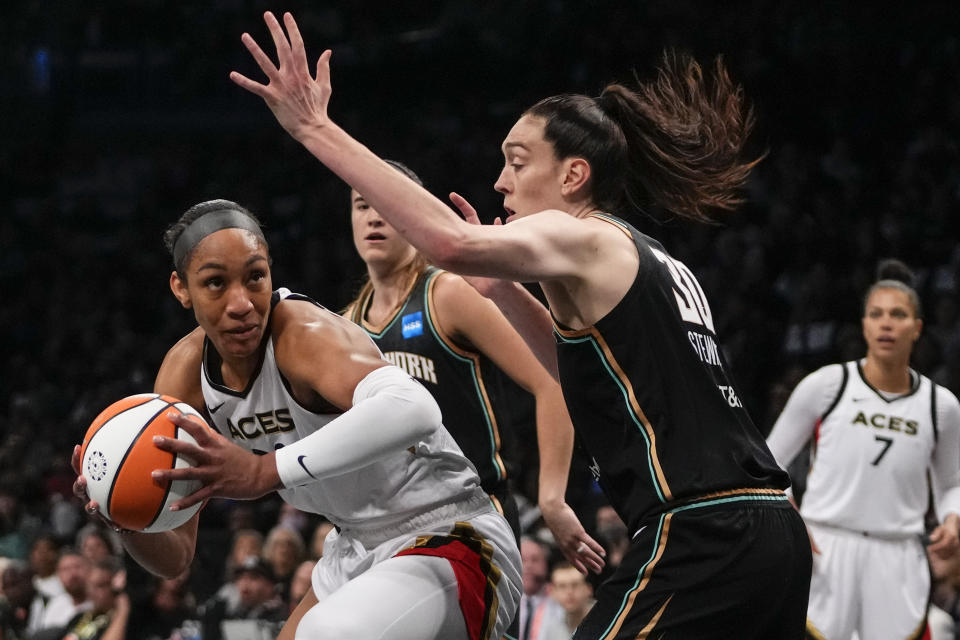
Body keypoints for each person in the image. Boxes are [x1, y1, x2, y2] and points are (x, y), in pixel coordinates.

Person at [230, 11, 812, 638]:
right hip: (771, 527)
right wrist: (506, 292)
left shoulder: (582, 233)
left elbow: (448, 242)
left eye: (517, 160)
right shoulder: (652, 261)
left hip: (701, 531)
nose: (501, 180)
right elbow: (577, 369)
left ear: (572, 175)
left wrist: (315, 128)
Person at [71, 198, 522, 640]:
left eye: (255, 277)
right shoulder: (184, 378)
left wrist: (263, 470)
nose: (242, 302)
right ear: (180, 288)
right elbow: (175, 558)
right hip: (355, 548)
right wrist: (124, 516)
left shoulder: (302, 333)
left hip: (450, 535)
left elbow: (415, 407)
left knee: (328, 633)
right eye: (215, 283)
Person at [344, 159, 604, 569]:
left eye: (385, 204)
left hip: (472, 518)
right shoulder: (347, 326)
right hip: (389, 528)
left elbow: (552, 378)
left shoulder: (447, 293)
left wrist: (552, 498)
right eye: (362, 205)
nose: (374, 216)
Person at [766, 259, 960, 640]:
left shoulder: (943, 406)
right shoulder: (827, 385)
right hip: (825, 547)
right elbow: (768, 463)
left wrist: (953, 519)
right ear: (864, 324)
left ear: (917, 328)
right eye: (877, 314)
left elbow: (953, 482)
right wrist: (791, 519)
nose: (887, 323)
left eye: (898, 315)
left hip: (899, 551)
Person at [540, 561, 595, 640]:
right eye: (562, 586)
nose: (569, 591)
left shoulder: (607, 621)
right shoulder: (553, 629)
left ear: (589, 589)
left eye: (575, 585)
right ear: (552, 592)